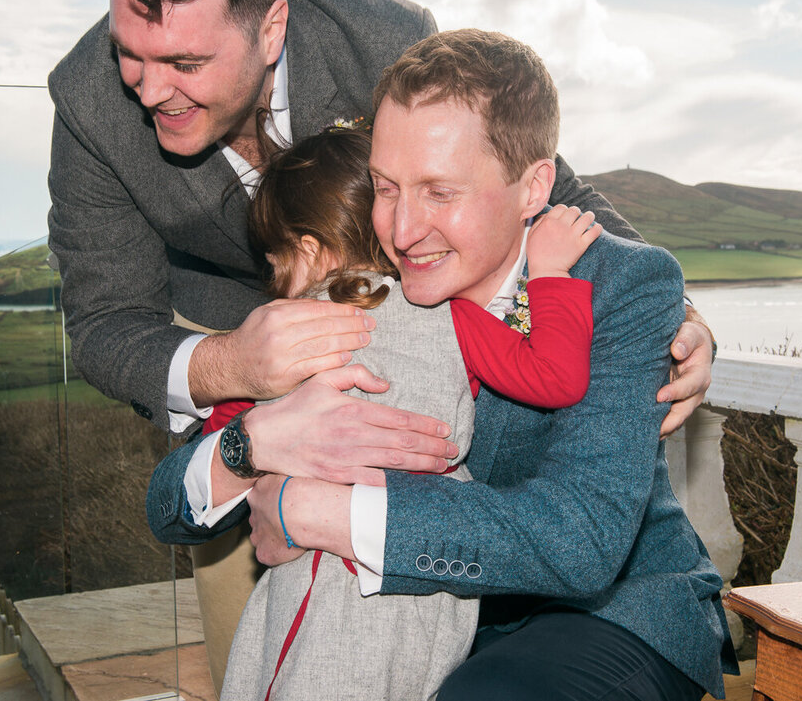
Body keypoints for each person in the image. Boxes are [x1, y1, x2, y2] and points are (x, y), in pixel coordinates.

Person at [48, 0, 716, 684]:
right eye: (132, 52)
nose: (148, 87)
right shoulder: (92, 102)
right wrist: (241, 391)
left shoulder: (381, 38)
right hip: (242, 362)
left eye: (186, 64)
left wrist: (670, 313)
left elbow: (533, 172)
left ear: (270, 28)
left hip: (568, 602)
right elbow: (104, 323)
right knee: (270, 657)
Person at [147, 29, 737, 700]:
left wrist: (324, 512)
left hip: (611, 617)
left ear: (532, 186)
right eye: (385, 188)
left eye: (439, 193)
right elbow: (168, 507)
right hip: (426, 627)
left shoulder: (621, 282)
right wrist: (249, 444)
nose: (400, 232)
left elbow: (581, 539)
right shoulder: (361, 295)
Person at [181, 124, 596, 700]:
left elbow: (228, 429)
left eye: (274, 265)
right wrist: (550, 275)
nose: (274, 286)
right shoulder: (451, 316)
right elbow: (555, 378)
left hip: (311, 586)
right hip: (421, 581)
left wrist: (252, 449)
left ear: (307, 250)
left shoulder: (285, 334)